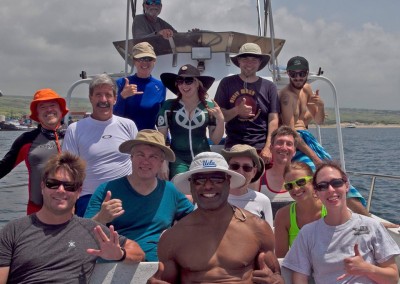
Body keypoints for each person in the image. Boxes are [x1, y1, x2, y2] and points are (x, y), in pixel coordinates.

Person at [0, 152, 145, 283]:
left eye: (69, 186)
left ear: (79, 192)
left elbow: (137, 251)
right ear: (42, 186)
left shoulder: (92, 230)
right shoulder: (13, 231)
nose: (61, 190)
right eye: (53, 184)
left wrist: (119, 254)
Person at [147, 152, 283, 283]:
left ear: (228, 182)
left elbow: (275, 276)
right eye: (199, 180)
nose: (208, 186)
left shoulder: (257, 228)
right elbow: (164, 280)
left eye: (217, 179)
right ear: (191, 185)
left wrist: (276, 280)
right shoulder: (173, 237)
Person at [84, 129, 194, 261]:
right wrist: (101, 218)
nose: (146, 161)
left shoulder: (171, 191)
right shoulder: (106, 190)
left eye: (153, 156)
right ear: (131, 157)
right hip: (116, 264)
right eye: (140, 155)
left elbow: (196, 221)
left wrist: (175, 233)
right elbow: (83, 233)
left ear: (161, 162)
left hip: (158, 267)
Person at [282, 161, 400, 283]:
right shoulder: (307, 233)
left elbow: (393, 278)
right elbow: (299, 279)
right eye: (323, 186)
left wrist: (367, 269)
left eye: (336, 183)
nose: (331, 189)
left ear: (346, 186)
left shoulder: (372, 226)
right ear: (316, 192)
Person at [62, 74, 138, 216]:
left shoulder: (128, 125)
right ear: (91, 98)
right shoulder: (75, 129)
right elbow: (68, 171)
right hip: (89, 198)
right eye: (98, 95)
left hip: (127, 197)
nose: (103, 100)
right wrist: (69, 204)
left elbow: (138, 160)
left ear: (115, 99)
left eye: (108, 95)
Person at [0, 89, 68, 214]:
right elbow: (3, 167)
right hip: (37, 213)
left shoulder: (75, 135)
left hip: (73, 211)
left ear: (61, 110)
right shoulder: (26, 140)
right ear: (37, 114)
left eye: (53, 105)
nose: (48, 110)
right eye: (43, 107)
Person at [215, 42, 280, 166]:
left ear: (260, 62)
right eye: (245, 59)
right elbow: (220, 116)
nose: (249, 63)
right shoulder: (226, 83)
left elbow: (273, 119)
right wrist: (237, 111)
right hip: (233, 148)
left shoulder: (269, 87)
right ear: (239, 61)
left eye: (254, 59)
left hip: (261, 149)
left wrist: (268, 147)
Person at [157, 64, 224, 179]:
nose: (184, 85)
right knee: (180, 188)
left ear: (198, 83)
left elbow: (215, 140)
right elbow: (161, 138)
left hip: (203, 158)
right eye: (180, 81)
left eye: (189, 81)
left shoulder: (209, 106)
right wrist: (163, 162)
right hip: (177, 159)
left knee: (202, 190)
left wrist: (221, 120)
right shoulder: (168, 106)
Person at [274, 161, 327, 258]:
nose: (296, 189)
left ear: (313, 181)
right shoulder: (283, 216)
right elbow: (281, 257)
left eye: (301, 182)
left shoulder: (330, 209)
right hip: (299, 270)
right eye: (289, 186)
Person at [113, 42, 166, 130]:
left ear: (154, 61)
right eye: (141, 59)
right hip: (126, 138)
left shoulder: (161, 86)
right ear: (134, 61)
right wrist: (122, 97)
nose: (145, 62)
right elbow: (113, 116)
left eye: (149, 59)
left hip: (148, 139)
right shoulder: (121, 83)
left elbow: (161, 118)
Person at [220, 144, 273, 227]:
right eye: (235, 166)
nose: (240, 171)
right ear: (227, 169)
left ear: (254, 172)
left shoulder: (263, 200)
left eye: (247, 167)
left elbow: (269, 235)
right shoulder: (212, 197)